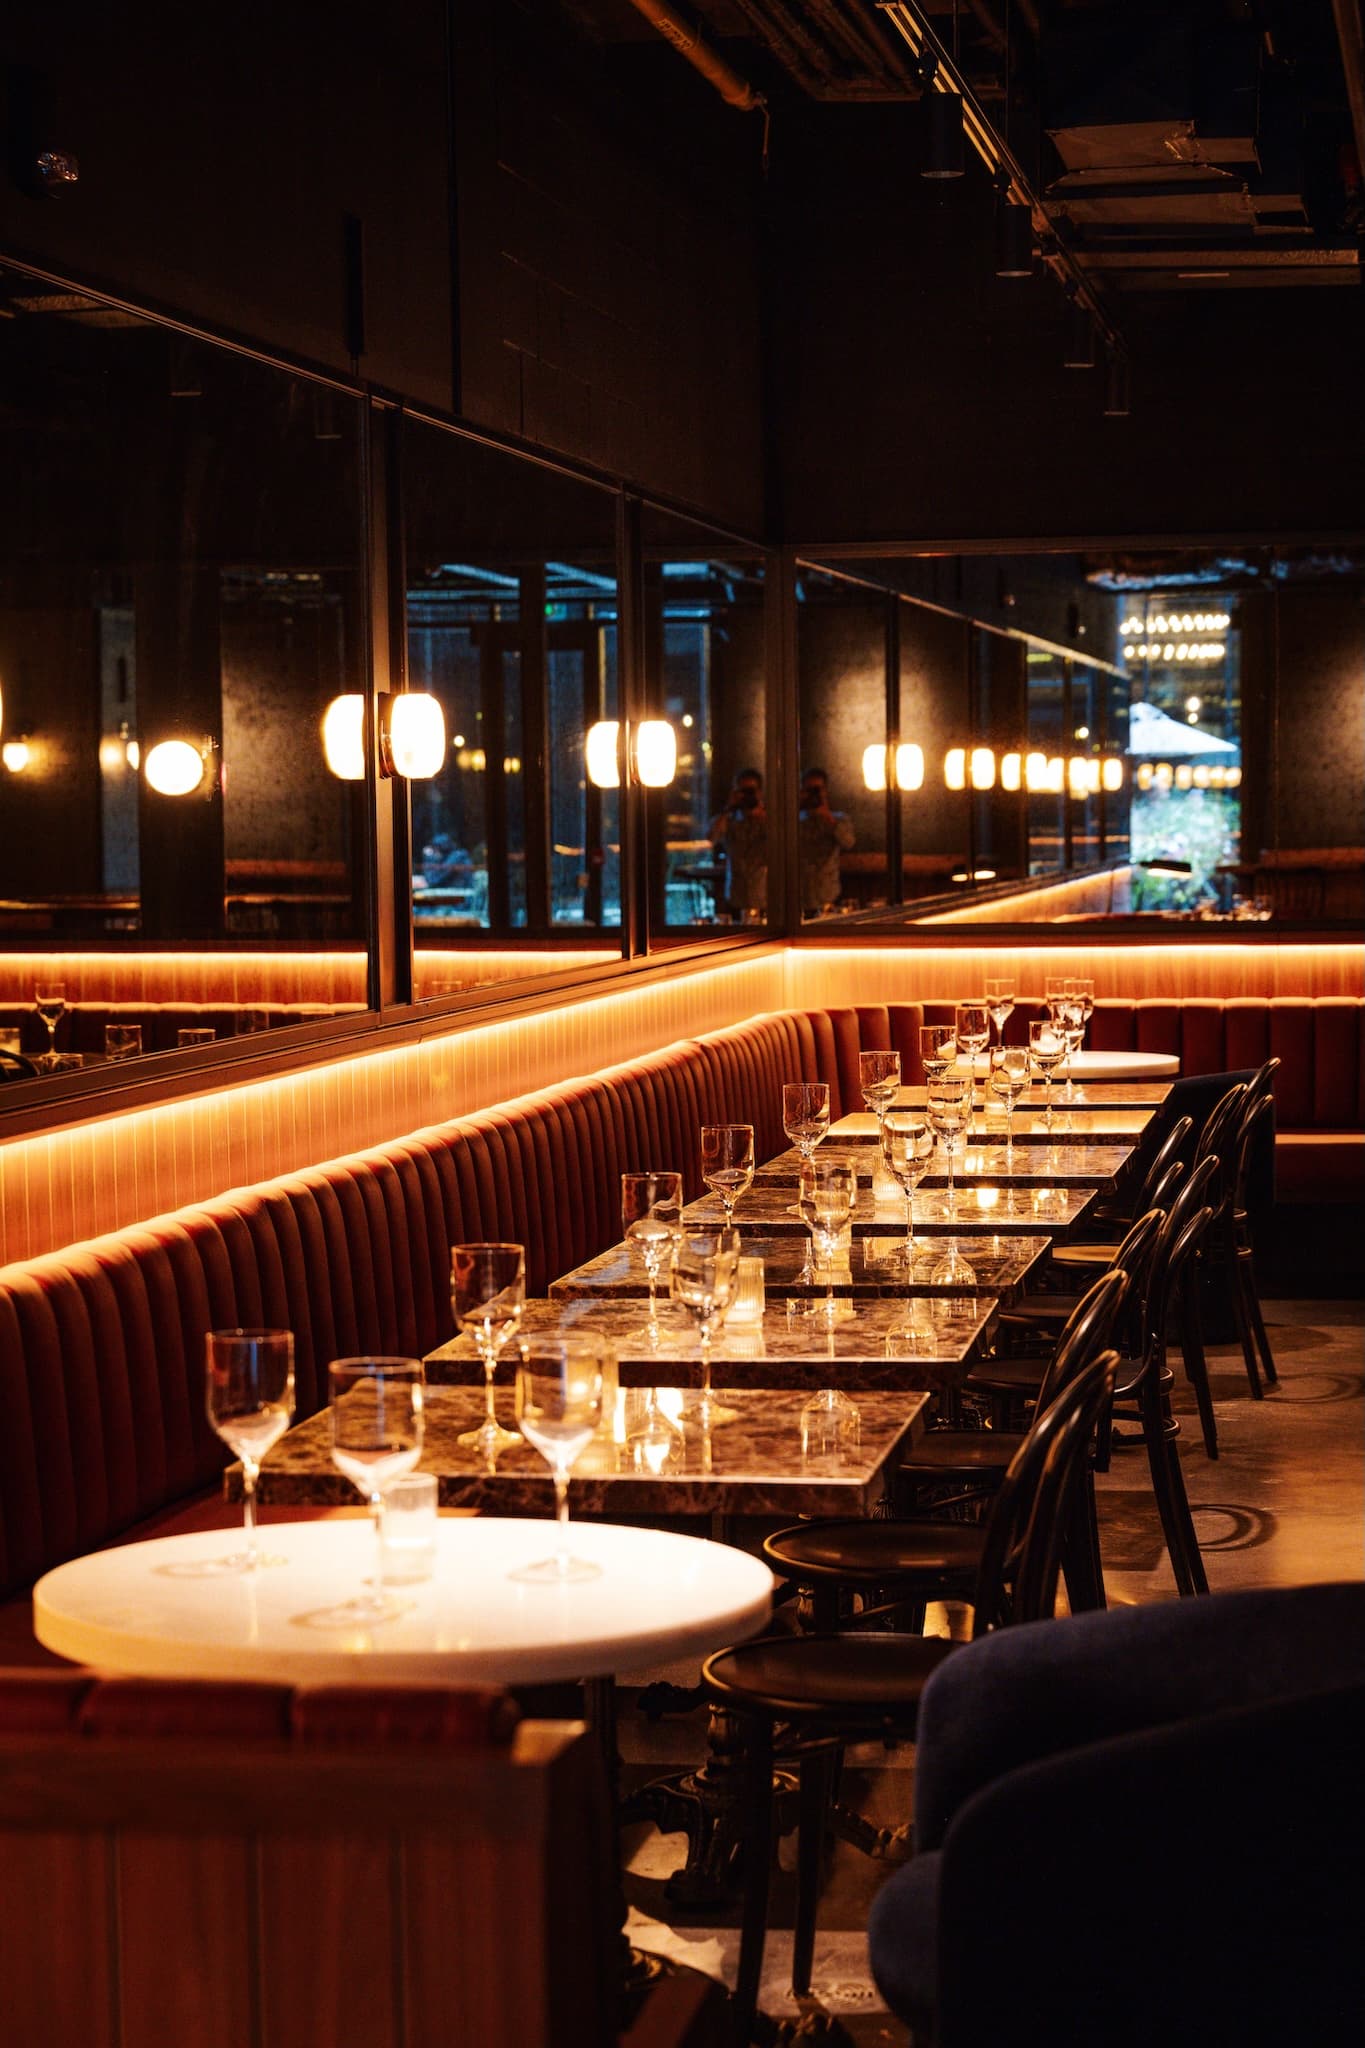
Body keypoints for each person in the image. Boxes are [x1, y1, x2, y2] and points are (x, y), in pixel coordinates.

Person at [709, 767, 768, 918]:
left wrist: (763, 815)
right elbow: (711, 837)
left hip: (765, 898)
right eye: (742, 791)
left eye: (750, 791)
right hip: (736, 898)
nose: (746, 796)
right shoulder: (730, 821)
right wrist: (728, 807)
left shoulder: (769, 819)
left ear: (760, 792)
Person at [797, 767, 855, 914]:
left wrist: (829, 819)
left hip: (828, 895)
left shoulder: (839, 819)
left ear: (825, 791)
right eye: (809, 790)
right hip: (799, 896)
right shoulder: (794, 822)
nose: (813, 795)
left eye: (817, 790)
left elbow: (849, 843)